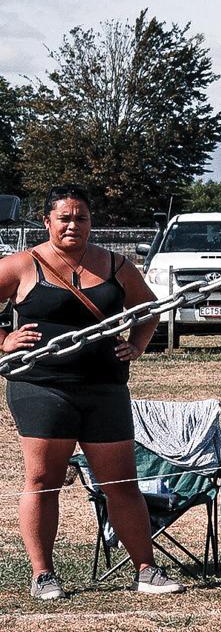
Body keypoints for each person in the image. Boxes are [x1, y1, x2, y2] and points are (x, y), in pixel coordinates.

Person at [0, 184, 182, 598]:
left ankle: (146, 570)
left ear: (90, 222)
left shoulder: (117, 266)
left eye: (81, 217)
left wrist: (137, 344)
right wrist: (4, 340)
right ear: (46, 222)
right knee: (44, 478)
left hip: (105, 388)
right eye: (64, 218)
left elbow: (147, 309)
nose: (73, 225)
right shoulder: (21, 266)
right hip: (41, 387)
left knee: (120, 481)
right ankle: (43, 574)